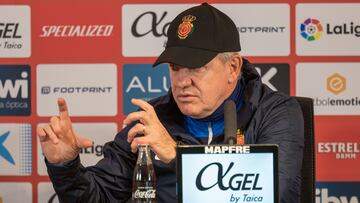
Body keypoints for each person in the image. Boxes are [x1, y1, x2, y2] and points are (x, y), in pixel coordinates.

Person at [38, 3, 304, 203]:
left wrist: (178, 156)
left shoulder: (276, 112)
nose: (182, 81)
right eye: (176, 68)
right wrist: (66, 167)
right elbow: (100, 197)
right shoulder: (152, 121)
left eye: (195, 68)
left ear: (233, 67)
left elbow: (274, 194)